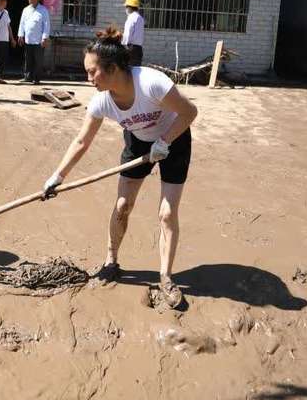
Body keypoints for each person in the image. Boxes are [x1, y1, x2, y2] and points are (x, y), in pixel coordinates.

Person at [42, 27, 198, 308]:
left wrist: (164, 141)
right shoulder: (102, 101)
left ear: (112, 68)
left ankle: (166, 277)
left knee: (166, 213)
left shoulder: (151, 83)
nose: (88, 79)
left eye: (92, 72)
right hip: (138, 143)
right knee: (123, 205)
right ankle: (111, 261)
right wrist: (58, 176)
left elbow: (189, 112)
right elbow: (81, 141)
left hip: (175, 138)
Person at [17, 0, 50, 85]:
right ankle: (28, 77)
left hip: (39, 41)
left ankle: (36, 78)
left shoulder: (43, 10)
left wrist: (44, 38)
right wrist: (20, 35)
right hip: (28, 40)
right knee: (28, 59)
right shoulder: (25, 10)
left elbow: (46, 25)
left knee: (38, 60)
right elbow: (22, 23)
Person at [122, 0, 145, 66]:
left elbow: (128, 33)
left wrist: (123, 45)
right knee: (136, 71)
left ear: (129, 7)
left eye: (126, 7)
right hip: (139, 49)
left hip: (130, 48)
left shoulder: (131, 18)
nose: (125, 9)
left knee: (128, 71)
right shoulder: (140, 18)